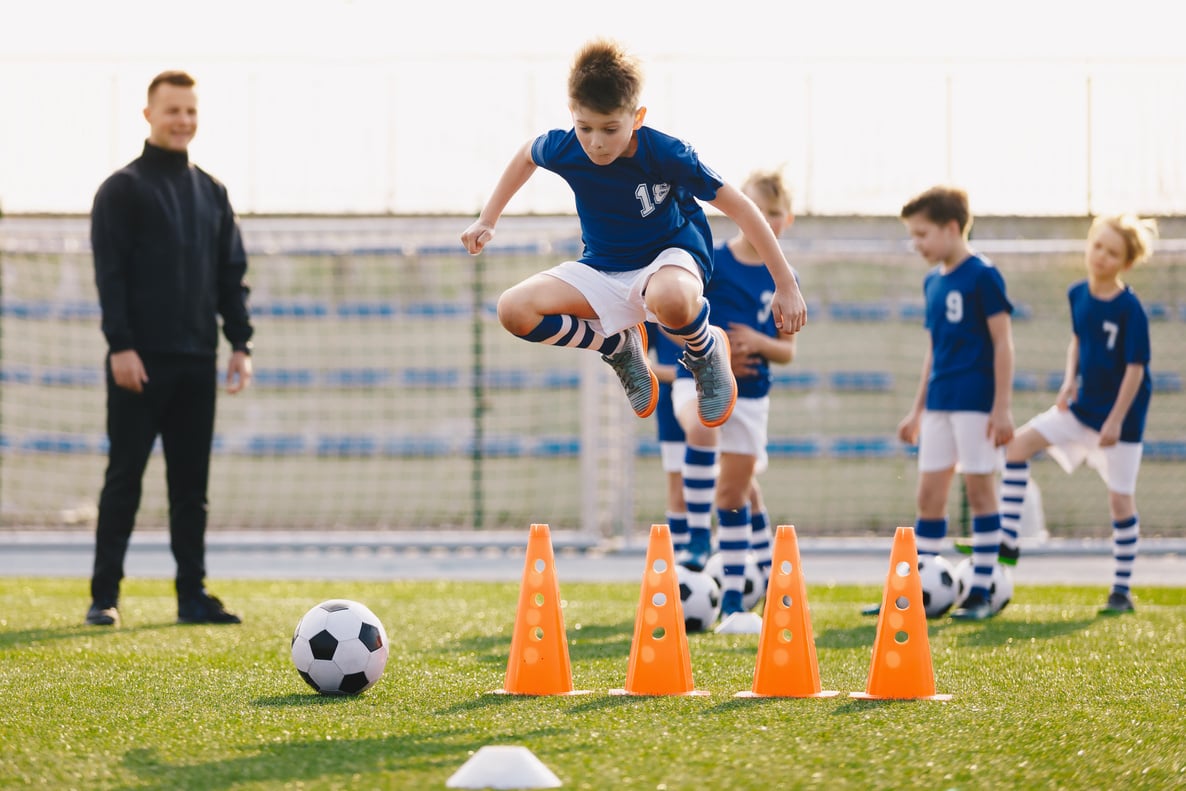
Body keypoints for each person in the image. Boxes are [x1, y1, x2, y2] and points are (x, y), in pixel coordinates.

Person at [460, 39, 807, 435]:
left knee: (670, 301)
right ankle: (618, 346)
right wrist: (488, 218)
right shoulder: (565, 147)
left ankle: (705, 348)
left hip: (671, 258)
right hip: (605, 265)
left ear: (637, 117)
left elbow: (743, 208)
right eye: (585, 127)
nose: (596, 142)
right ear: (572, 113)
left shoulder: (667, 154)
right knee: (514, 310)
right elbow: (526, 154)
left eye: (610, 129)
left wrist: (784, 283)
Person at [86, 70, 254, 627]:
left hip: (196, 360)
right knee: (124, 477)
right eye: (172, 110)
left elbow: (231, 273)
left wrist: (239, 343)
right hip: (139, 362)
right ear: (149, 115)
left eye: (190, 111)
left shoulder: (212, 192)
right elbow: (110, 275)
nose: (182, 120)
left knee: (191, 488)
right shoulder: (122, 189)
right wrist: (121, 347)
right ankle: (104, 596)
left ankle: (192, 596)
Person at [994, 215, 1156, 614]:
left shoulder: (1130, 309)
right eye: (1098, 246)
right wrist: (1069, 382)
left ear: (1125, 263)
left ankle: (1121, 589)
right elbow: (1078, 341)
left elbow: (1136, 369)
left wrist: (1117, 420)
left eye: (1113, 252)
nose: (1101, 256)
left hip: (1121, 421)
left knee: (1120, 502)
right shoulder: (1077, 293)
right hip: (1081, 409)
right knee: (1017, 447)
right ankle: (1009, 538)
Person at [674, 169, 797, 629]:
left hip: (752, 399)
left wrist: (759, 344)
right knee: (701, 427)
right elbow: (679, 317)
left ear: (788, 220)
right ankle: (695, 540)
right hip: (698, 379)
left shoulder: (784, 276)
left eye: (774, 213)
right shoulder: (713, 261)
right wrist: (720, 345)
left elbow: (787, 351)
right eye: (757, 210)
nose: (764, 219)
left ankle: (732, 604)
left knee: (733, 496)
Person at [886, 186, 1015, 621]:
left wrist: (1002, 407)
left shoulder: (983, 276)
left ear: (951, 228)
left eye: (922, 234)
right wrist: (917, 408)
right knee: (929, 496)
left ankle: (980, 589)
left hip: (976, 403)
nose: (916, 243)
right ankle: (919, 591)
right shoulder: (932, 282)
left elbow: (1002, 343)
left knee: (979, 491)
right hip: (939, 401)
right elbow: (934, 350)